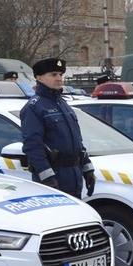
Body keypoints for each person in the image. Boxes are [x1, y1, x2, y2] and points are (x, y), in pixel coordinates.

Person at [19, 57, 95, 198]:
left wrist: (88, 169)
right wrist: (47, 178)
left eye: (60, 74)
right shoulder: (34, 108)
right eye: (53, 75)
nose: (59, 78)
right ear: (39, 78)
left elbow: (77, 141)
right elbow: (33, 146)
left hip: (73, 177)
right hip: (53, 179)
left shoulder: (63, 104)